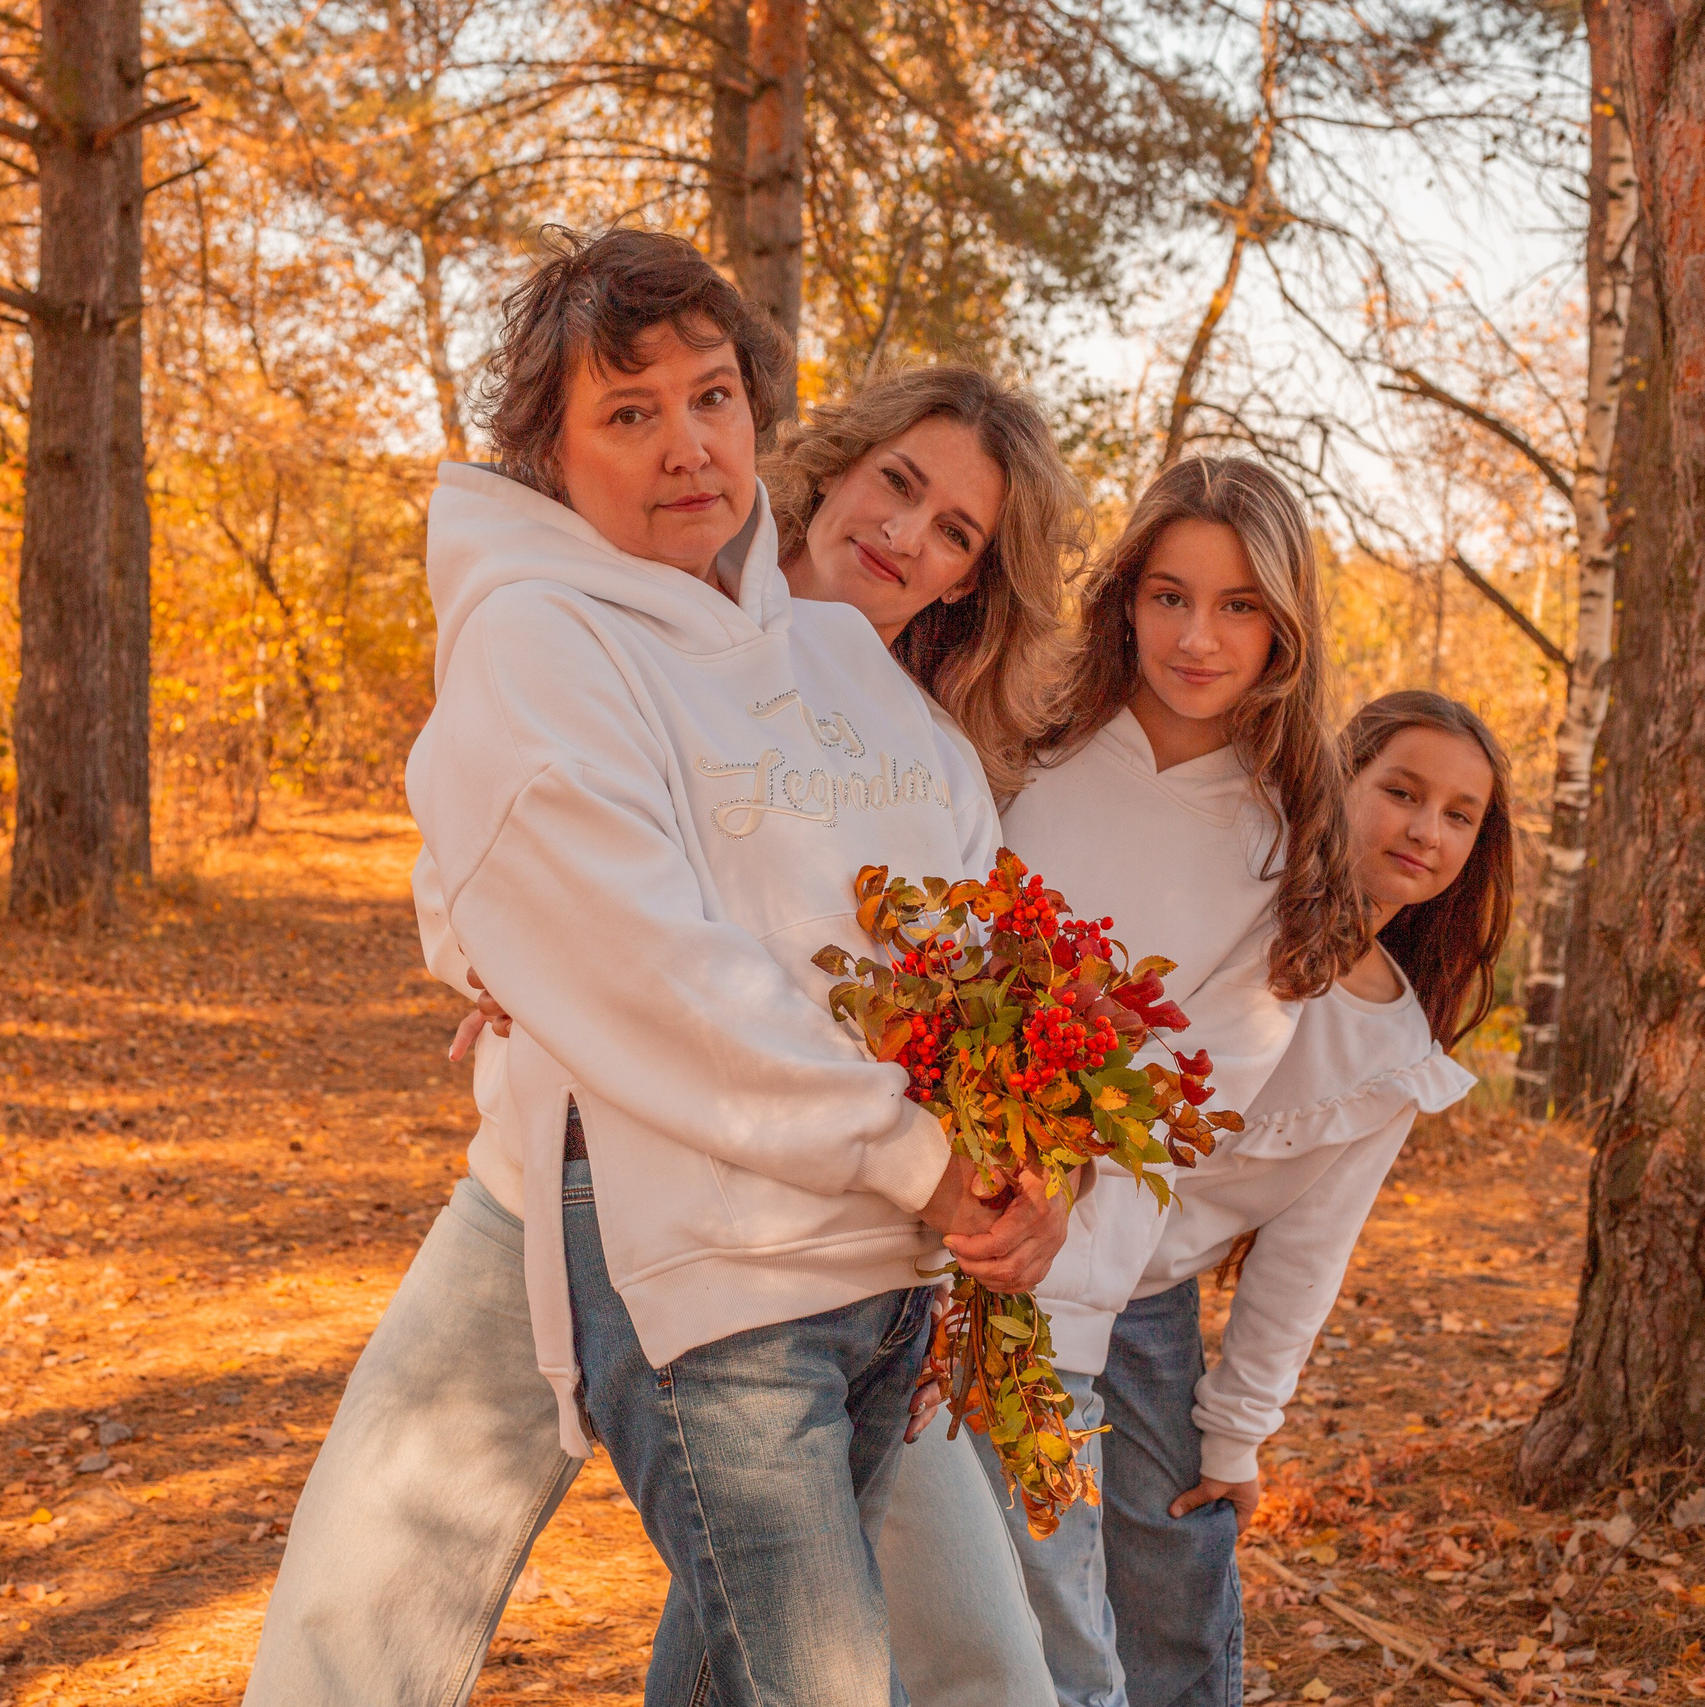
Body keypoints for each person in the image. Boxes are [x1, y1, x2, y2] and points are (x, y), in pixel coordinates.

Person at [241, 238, 1082, 1707]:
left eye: (710, 399)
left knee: (957, 1658)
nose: (687, 442)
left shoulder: (881, 704)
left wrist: (1020, 1159)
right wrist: (502, 950)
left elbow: (962, 976)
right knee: (363, 1613)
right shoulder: (554, 629)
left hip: (849, 1234)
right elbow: (601, 925)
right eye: (631, 412)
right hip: (578, 1182)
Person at [885, 454, 1369, 1707]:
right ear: (1125, 601)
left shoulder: (1284, 843)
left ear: (1287, 625)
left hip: (1061, 1259)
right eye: (1168, 596)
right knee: (889, 1611)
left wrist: (1047, 1148)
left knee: (1050, 1634)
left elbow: (1179, 1091)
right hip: (885, 1200)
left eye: (1238, 606)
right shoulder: (1031, 737)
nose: (1197, 638)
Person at [1086, 689, 1514, 1707]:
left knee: (1170, 1587)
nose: (1424, 829)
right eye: (1400, 793)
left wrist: (1236, 1434)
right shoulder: (1224, 900)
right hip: (1005, 1255)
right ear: (1339, 781)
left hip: (1142, 1312)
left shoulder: (1393, 1050)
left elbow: (1304, 1256)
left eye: (1458, 815)